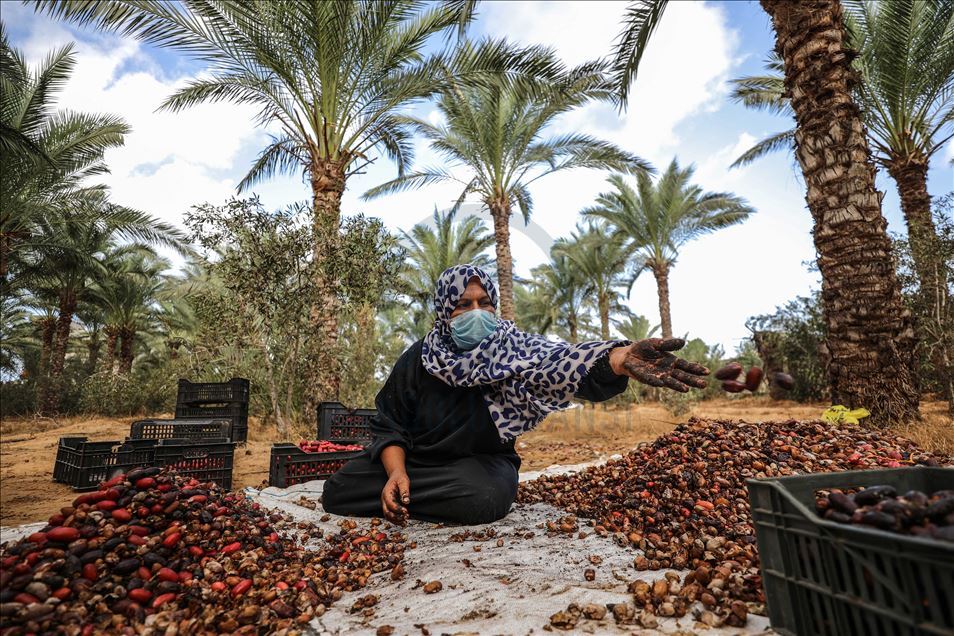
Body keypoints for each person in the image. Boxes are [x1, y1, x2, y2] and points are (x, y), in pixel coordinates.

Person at [322, 264, 708, 525]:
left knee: (486, 496)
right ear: (443, 310)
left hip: (480, 466)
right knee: (338, 489)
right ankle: (403, 491)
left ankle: (408, 499)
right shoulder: (418, 359)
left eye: (484, 303)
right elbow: (390, 425)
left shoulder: (512, 350)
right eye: (463, 305)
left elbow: (561, 362)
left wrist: (619, 358)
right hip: (415, 464)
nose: (476, 312)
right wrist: (397, 472)